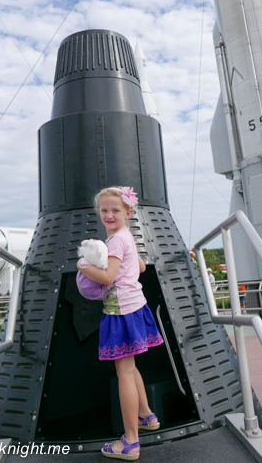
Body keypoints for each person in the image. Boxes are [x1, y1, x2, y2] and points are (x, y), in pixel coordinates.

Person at [78, 186, 163, 461]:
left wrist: (84, 267)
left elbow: (108, 277)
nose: (109, 215)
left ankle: (130, 442)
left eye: (115, 210)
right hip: (136, 305)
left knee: (124, 372)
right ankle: (146, 415)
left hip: (121, 311)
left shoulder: (115, 241)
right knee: (131, 367)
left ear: (128, 211)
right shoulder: (126, 235)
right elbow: (139, 268)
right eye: (104, 210)